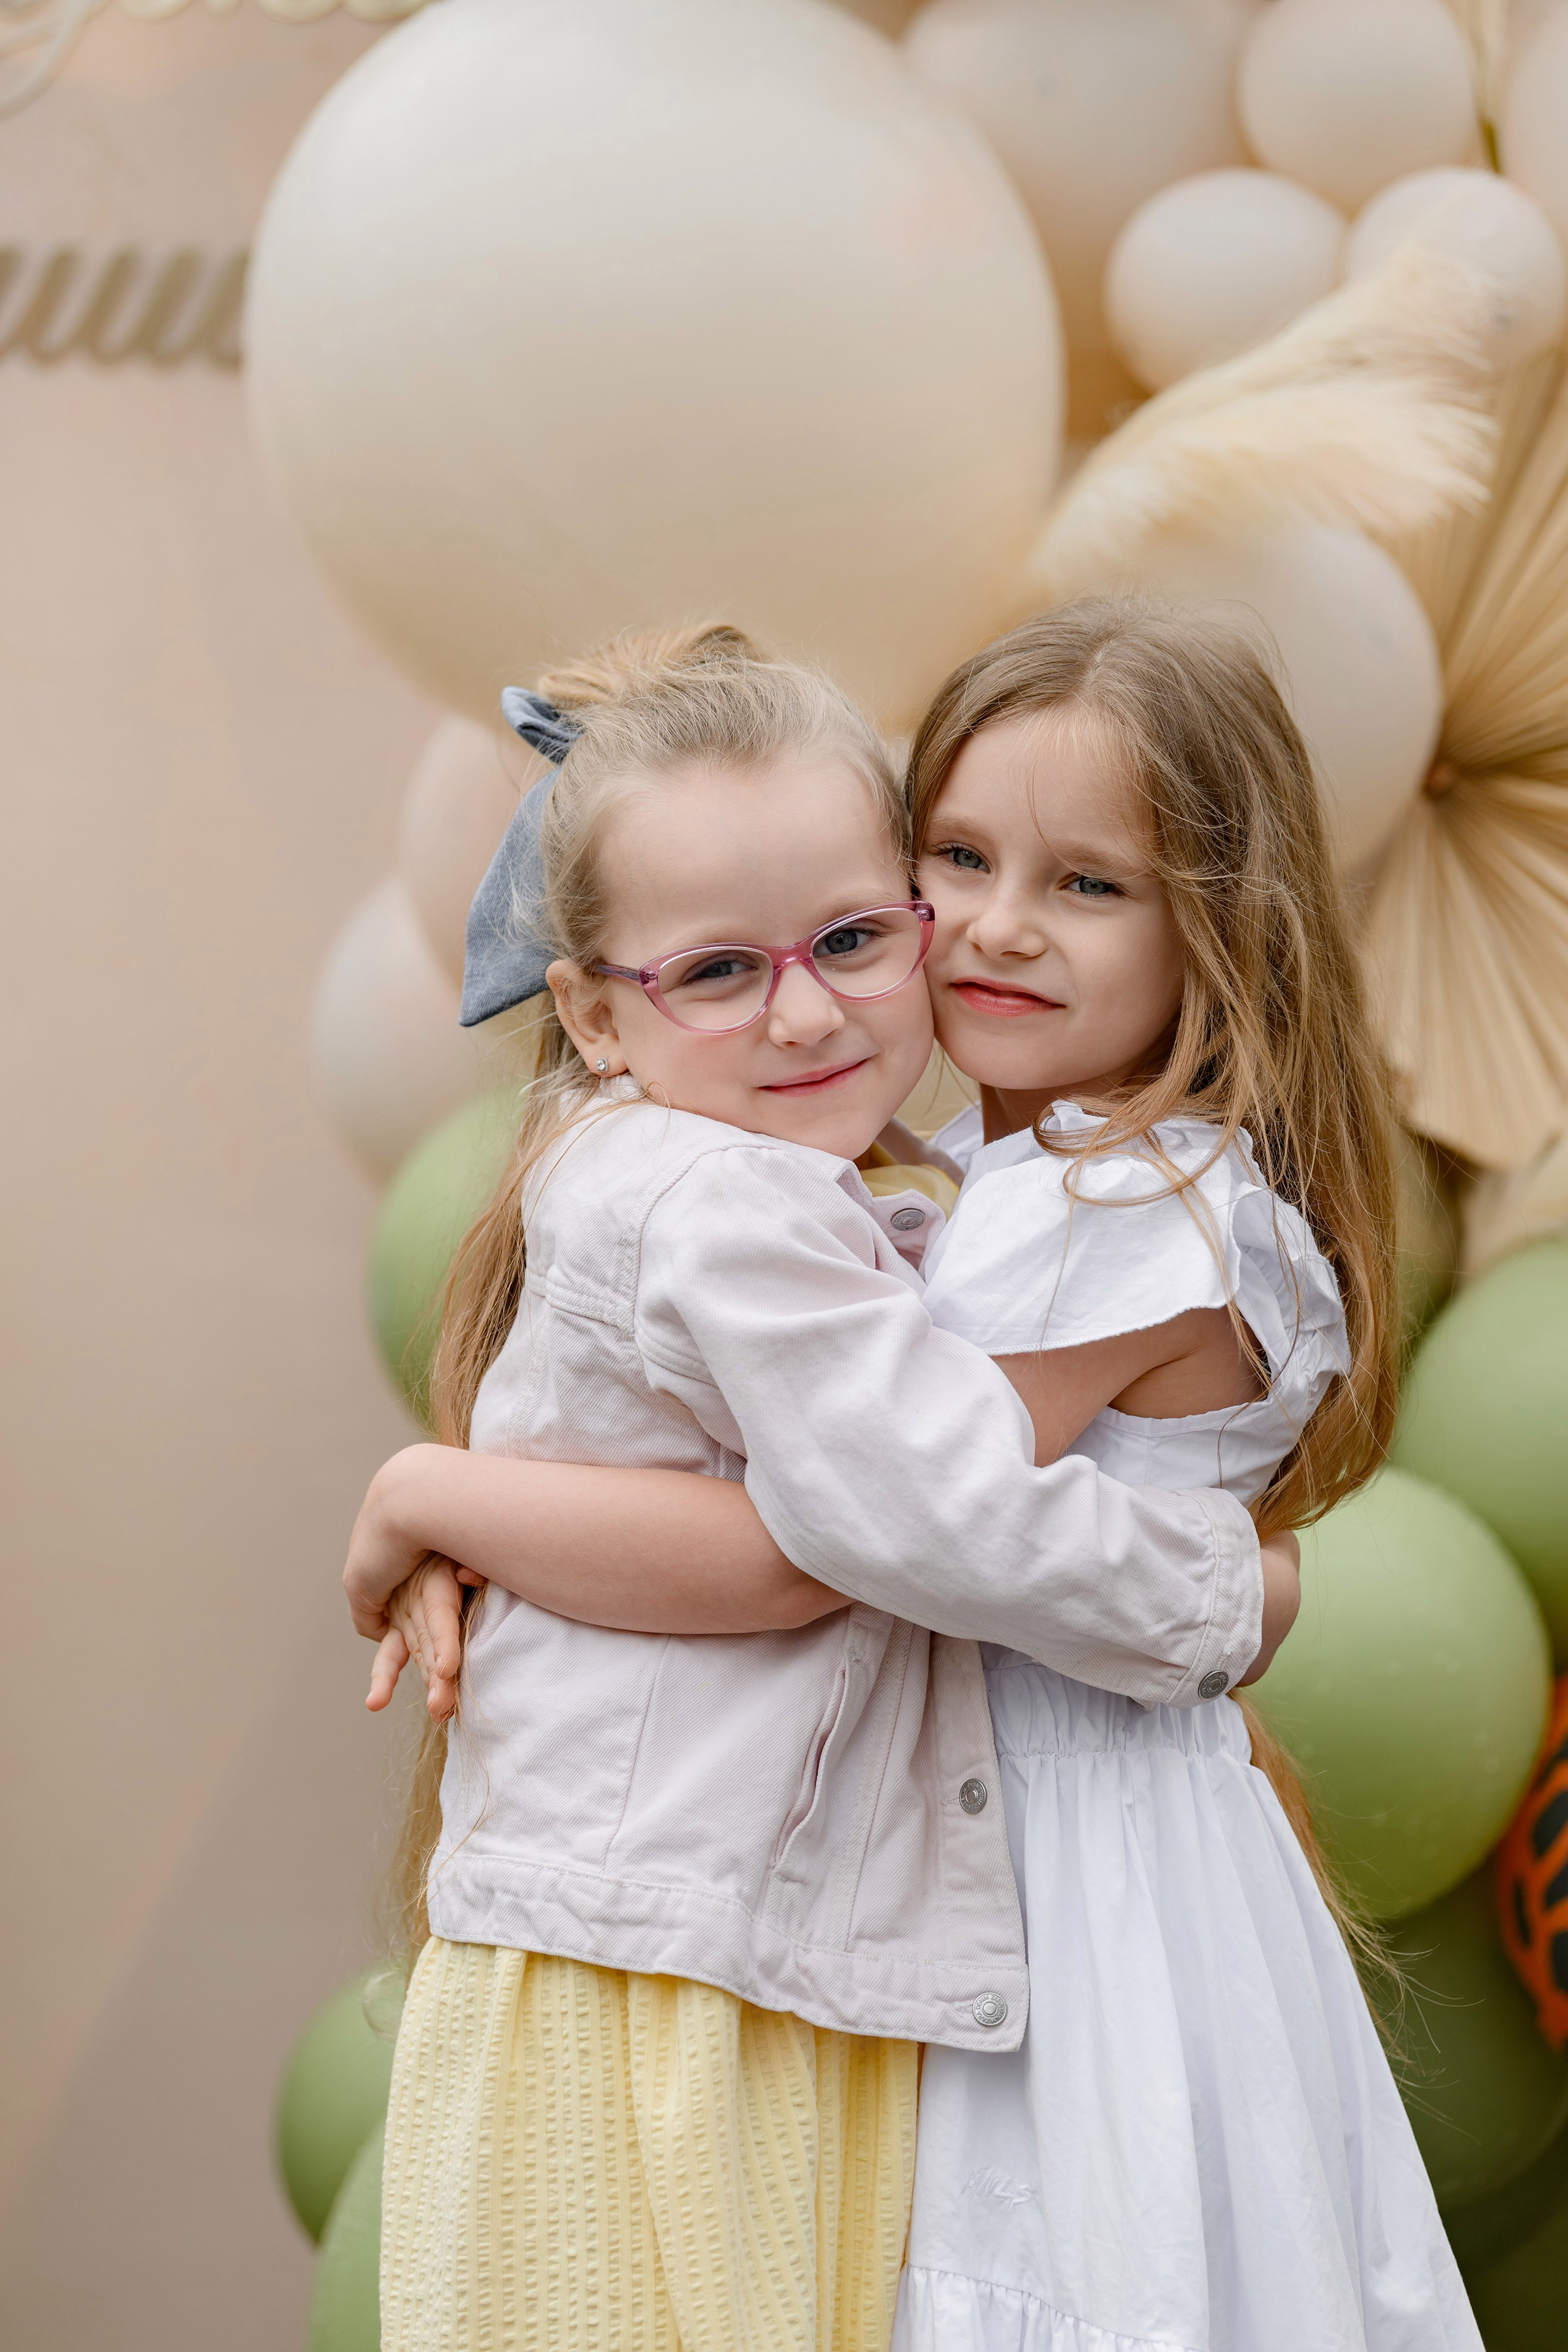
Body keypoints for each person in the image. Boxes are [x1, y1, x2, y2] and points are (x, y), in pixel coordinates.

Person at [346, 621, 1296, 2352]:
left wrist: (435, 1489)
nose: (803, 1009)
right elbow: (880, 1530)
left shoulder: (849, 1192)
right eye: (716, 973)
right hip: (662, 1972)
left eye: (855, 938)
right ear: (593, 1014)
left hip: (734, 1948)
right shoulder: (730, 1205)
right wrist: (1234, 1591)